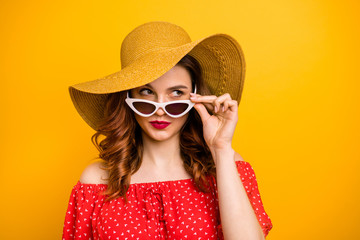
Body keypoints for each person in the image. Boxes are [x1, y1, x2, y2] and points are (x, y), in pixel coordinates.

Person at [62, 21, 272, 240]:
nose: (160, 110)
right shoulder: (97, 181)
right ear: (128, 98)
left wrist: (221, 148)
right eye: (146, 92)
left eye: (176, 94)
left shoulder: (226, 166)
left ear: (195, 97)